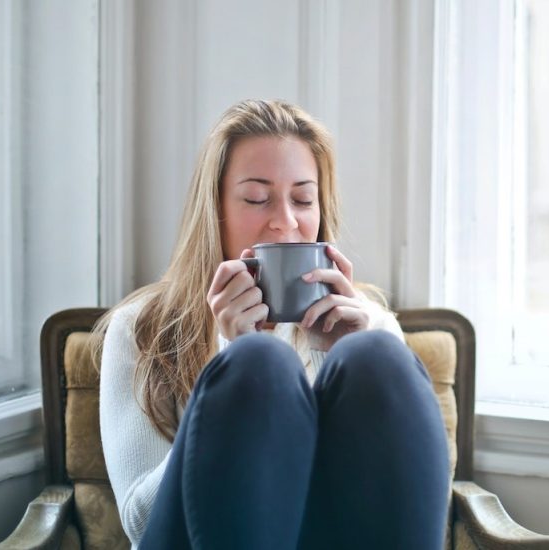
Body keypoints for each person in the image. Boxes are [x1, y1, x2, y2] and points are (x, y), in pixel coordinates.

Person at [95, 99, 450, 550]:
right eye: (256, 199)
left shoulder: (367, 323)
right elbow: (140, 524)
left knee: (375, 354)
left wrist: (335, 352)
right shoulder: (139, 328)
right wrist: (229, 357)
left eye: (303, 199)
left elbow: (407, 500)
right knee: (258, 362)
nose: (285, 222)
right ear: (216, 210)